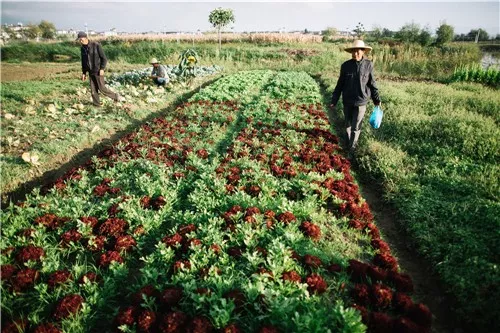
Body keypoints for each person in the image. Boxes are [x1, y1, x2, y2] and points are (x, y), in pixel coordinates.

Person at [330, 40, 381, 159]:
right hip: (347, 100)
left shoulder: (368, 65)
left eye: (357, 51)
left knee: (356, 126)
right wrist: (334, 100)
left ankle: (352, 150)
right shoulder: (346, 66)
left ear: (363, 51)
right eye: (353, 51)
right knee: (347, 124)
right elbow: (340, 84)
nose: (354, 54)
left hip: (361, 101)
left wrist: (376, 100)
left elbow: (372, 84)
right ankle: (348, 144)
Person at [77, 31, 123, 106]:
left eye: (80, 39)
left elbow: (104, 58)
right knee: (93, 90)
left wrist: (102, 69)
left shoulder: (96, 45)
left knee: (102, 88)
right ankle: (96, 104)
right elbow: (83, 62)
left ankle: (116, 97)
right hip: (90, 72)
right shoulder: (82, 48)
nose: (80, 41)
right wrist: (84, 73)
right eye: (79, 39)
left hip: (98, 71)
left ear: (85, 38)